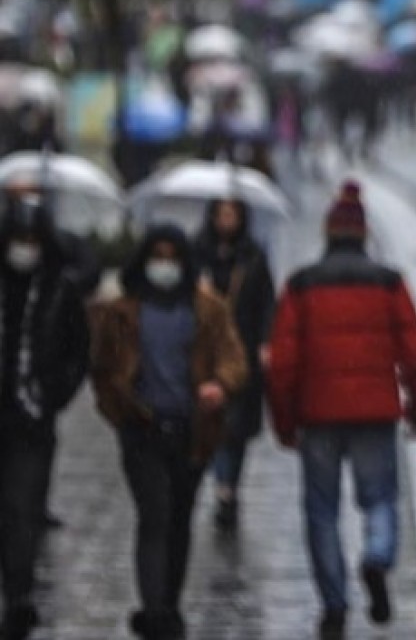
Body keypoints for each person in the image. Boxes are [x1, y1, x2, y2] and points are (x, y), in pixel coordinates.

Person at [267, 181, 416, 640]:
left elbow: (282, 364)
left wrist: (283, 421)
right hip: (376, 412)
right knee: (379, 498)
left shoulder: (301, 286)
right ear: (362, 235)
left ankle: (334, 606)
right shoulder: (389, 282)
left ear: (327, 234)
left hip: (317, 417)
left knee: (321, 511)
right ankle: (377, 557)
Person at [89, 224, 246, 640]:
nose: (164, 265)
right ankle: (155, 612)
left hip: (191, 431)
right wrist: (119, 411)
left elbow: (233, 358)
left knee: (178, 519)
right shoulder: (124, 312)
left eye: (171, 256)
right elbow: (102, 368)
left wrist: (220, 385)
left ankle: (169, 604)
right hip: (142, 430)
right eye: (156, 255)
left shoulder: (207, 309)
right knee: (154, 516)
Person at [0, 197, 88, 640]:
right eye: (18, 239)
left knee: (23, 508)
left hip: (33, 419)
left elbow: (78, 351)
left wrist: (53, 394)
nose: (25, 248)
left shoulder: (59, 289)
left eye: (32, 240)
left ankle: (18, 594)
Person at [194, 199, 276, 532]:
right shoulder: (197, 253)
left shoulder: (253, 255)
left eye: (233, 214)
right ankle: (222, 485)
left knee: (236, 427)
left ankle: (228, 486)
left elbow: (266, 301)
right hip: (205, 352)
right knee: (213, 422)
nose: (226, 220)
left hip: (241, 350)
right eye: (221, 214)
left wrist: (265, 342)